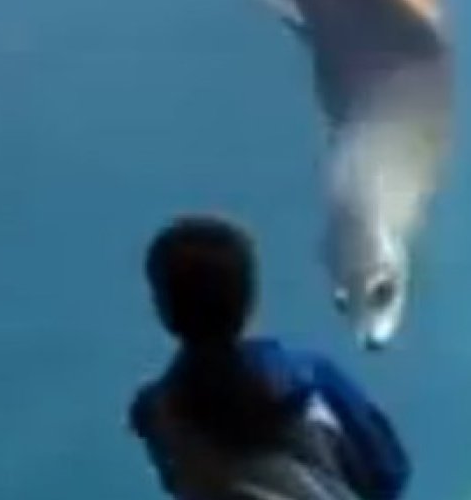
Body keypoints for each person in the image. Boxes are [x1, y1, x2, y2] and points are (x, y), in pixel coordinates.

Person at [128, 214, 411, 500]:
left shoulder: (155, 414)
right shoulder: (310, 377)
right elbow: (388, 474)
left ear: (162, 309)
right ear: (251, 298)